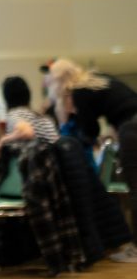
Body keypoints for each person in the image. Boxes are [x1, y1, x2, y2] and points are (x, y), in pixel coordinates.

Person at [48, 58, 137, 263]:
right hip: (131, 125)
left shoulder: (80, 90)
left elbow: (90, 129)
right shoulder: (97, 79)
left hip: (132, 130)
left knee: (135, 189)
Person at [0, 75, 59, 148]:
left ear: (6, 98)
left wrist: (3, 140)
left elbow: (26, 132)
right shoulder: (45, 120)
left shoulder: (14, 115)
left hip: (34, 158)